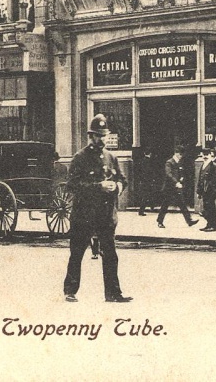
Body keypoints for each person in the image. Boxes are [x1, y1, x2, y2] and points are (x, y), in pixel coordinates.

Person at [63, 114, 132, 303]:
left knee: (110, 255)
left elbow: (122, 180)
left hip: (105, 215)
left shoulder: (111, 157)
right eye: (99, 136)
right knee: (77, 253)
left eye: (105, 135)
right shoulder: (80, 158)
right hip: (84, 215)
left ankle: (113, 293)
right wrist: (98, 186)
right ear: (91, 136)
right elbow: (72, 185)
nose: (102, 139)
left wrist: (117, 187)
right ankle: (70, 290)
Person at [156, 144, 199, 229]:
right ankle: (160, 221)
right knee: (165, 205)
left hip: (176, 188)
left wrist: (181, 179)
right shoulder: (169, 162)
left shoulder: (179, 162)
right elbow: (169, 174)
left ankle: (189, 221)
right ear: (176, 153)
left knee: (182, 204)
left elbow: (180, 173)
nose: (181, 156)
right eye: (180, 154)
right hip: (169, 188)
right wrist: (176, 182)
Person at [196, 148, 216, 231]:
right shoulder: (203, 165)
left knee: (211, 208)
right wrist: (199, 191)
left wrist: (213, 191)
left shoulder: (214, 166)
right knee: (206, 207)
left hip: (210, 191)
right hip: (204, 191)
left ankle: (214, 226)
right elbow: (200, 179)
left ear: (210, 155)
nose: (205, 156)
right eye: (204, 154)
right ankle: (209, 224)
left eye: (207, 155)